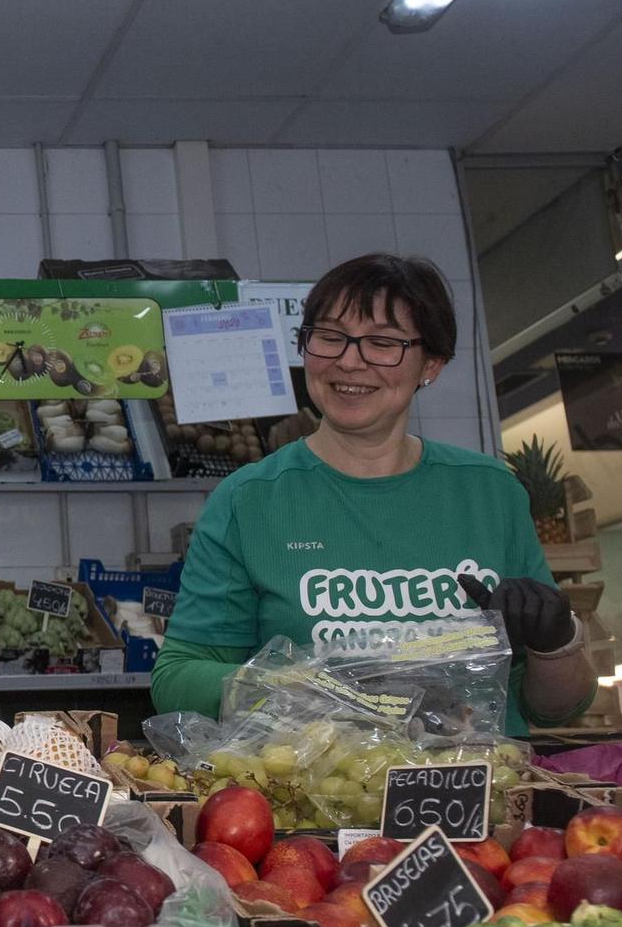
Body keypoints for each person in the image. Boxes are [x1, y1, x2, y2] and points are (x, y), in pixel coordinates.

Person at [150, 253, 592, 737]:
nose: (349, 360)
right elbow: (177, 678)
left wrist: (556, 643)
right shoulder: (249, 500)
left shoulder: (490, 492)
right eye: (330, 336)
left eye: (382, 342)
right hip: (318, 797)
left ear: (433, 364)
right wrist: (307, 688)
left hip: (477, 793)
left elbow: (557, 709)